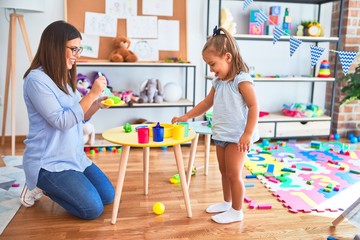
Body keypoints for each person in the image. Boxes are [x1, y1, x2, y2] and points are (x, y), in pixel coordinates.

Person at [20, 20, 115, 220]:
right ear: (54, 47)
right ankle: (40, 184)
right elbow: (62, 121)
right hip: (48, 163)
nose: (77, 55)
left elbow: (78, 118)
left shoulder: (63, 77)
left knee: (108, 195)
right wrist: (91, 94)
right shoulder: (36, 80)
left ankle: (65, 184)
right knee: (92, 209)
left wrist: (96, 103)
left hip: (73, 157)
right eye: (73, 49)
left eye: (78, 49)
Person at [172, 26, 259, 224]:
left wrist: (247, 133)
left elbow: (254, 107)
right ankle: (227, 203)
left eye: (213, 64)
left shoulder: (242, 80)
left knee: (234, 174)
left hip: (238, 136)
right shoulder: (218, 82)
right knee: (223, 171)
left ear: (227, 57)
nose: (211, 69)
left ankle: (237, 211)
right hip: (221, 134)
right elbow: (206, 103)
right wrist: (186, 116)